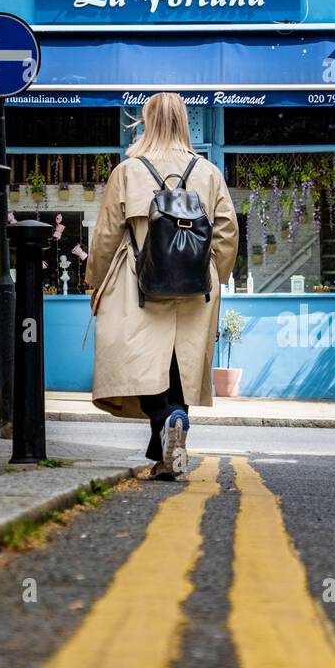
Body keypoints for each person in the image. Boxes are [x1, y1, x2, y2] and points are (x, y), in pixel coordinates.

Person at [86, 93, 239, 480]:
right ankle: (166, 445)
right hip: (195, 284)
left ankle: (169, 417)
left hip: (139, 282)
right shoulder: (208, 173)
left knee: (140, 362)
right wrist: (213, 276)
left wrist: (96, 283)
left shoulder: (129, 171)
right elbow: (228, 233)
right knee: (177, 363)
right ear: (185, 123)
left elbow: (105, 236)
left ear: (147, 122)